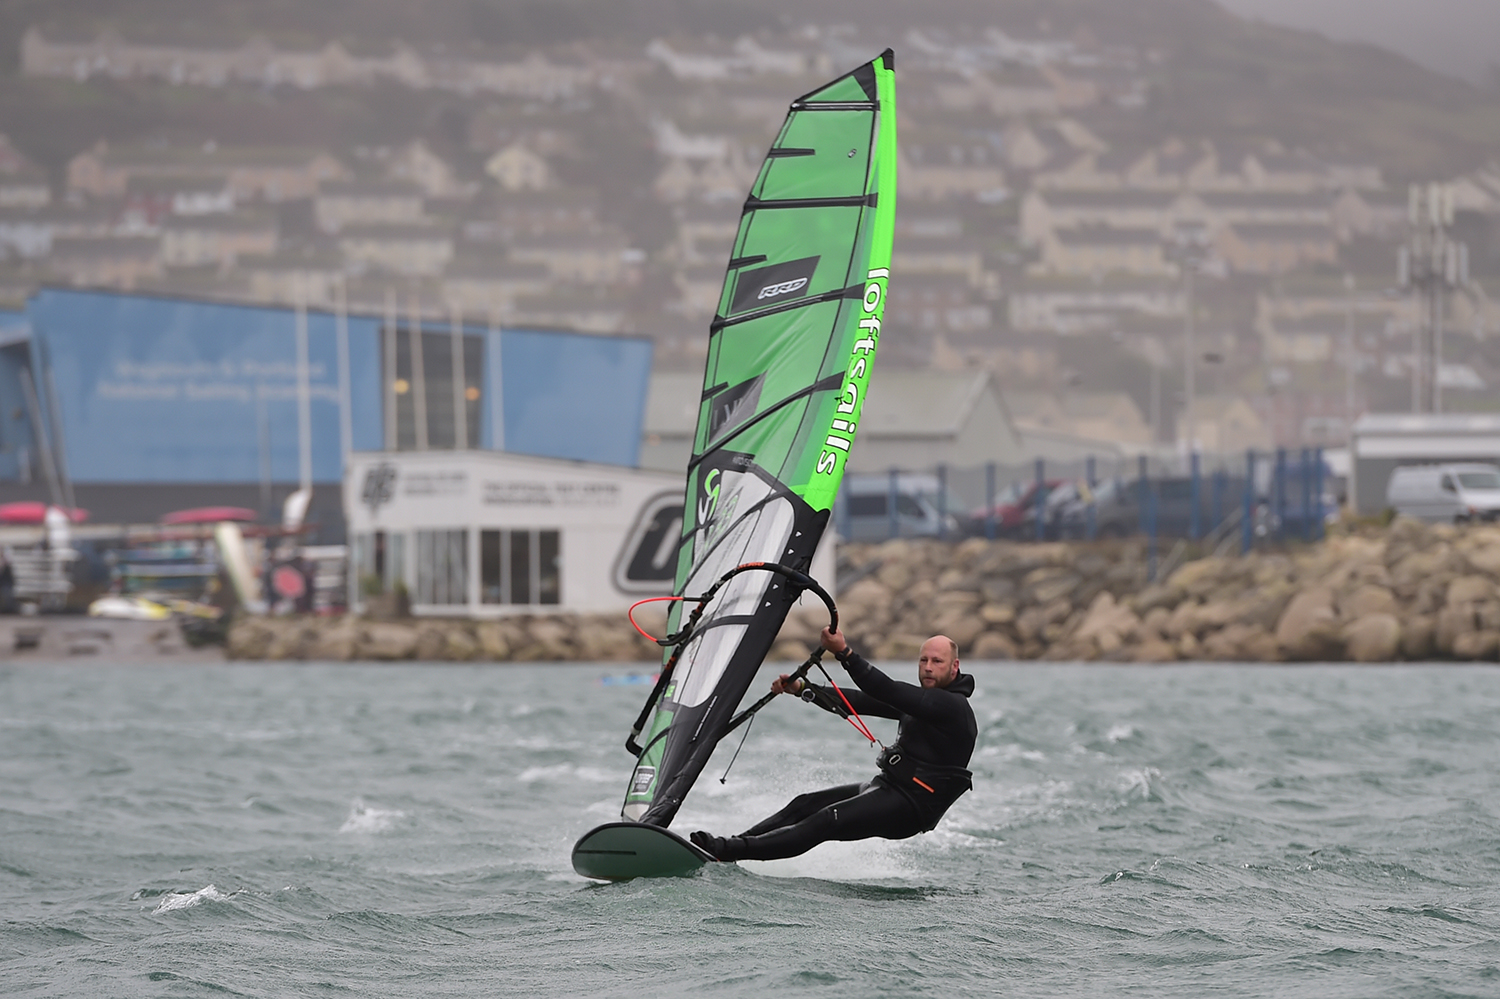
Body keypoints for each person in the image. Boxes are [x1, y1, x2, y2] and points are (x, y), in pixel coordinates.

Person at [690, 627, 977, 862]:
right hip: (890, 788)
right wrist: (804, 689)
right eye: (923, 660)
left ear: (954, 667)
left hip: (911, 807)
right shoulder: (926, 699)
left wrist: (844, 653)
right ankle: (735, 845)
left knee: (826, 820)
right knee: (804, 804)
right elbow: (859, 701)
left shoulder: (951, 706)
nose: (928, 668)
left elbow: (884, 688)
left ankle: (726, 852)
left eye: (936, 662)